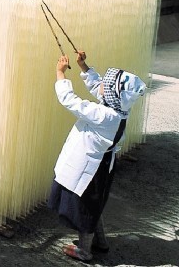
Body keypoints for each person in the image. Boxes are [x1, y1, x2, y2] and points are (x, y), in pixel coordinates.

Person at [47, 51, 147, 262]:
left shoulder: (105, 115)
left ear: (112, 95)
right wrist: (83, 66)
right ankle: (100, 242)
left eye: (106, 85)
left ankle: (84, 250)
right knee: (94, 205)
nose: (100, 85)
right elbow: (99, 87)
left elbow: (70, 101)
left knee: (85, 208)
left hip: (90, 171)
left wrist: (60, 74)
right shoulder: (118, 109)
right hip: (101, 168)